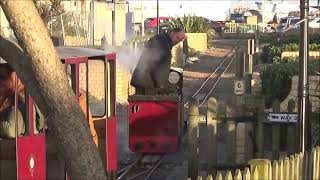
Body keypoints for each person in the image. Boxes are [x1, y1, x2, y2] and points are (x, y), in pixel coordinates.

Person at [130, 27, 186, 94]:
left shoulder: (161, 39)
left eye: (179, 40)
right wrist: (162, 86)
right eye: (177, 38)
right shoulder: (164, 44)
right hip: (147, 83)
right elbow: (160, 68)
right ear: (172, 33)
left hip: (143, 80)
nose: (177, 41)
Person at [0, 64, 44, 138]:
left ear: (18, 77)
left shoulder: (22, 102)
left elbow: (9, 130)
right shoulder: (10, 97)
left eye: (3, 77)